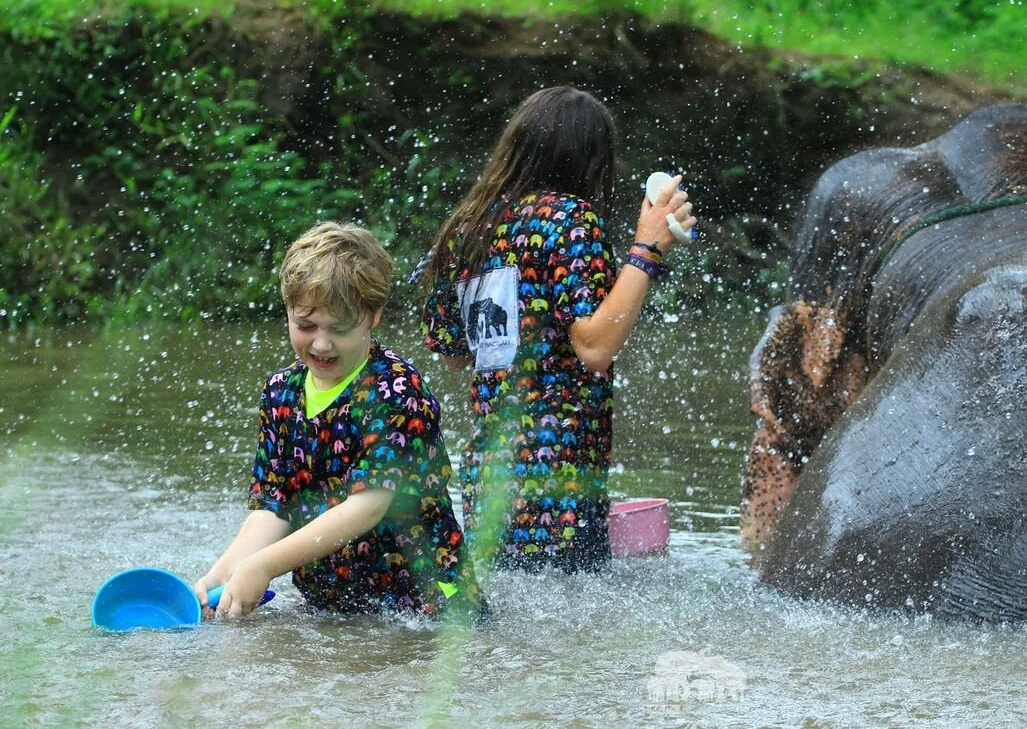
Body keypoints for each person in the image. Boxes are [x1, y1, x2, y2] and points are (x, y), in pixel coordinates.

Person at [419, 86, 697, 572]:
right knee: (566, 613)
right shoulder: (571, 219)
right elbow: (594, 347)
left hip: (489, 475)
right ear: (590, 159)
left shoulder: (468, 227)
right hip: (559, 479)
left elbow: (455, 353)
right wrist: (647, 248)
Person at [196, 221, 481, 618]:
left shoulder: (396, 392)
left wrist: (263, 566)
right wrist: (225, 572)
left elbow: (367, 507)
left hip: (425, 608)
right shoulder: (282, 393)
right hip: (333, 608)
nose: (321, 343)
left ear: (373, 316)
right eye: (305, 325)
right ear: (287, 311)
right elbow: (275, 505)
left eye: (340, 328)